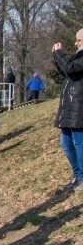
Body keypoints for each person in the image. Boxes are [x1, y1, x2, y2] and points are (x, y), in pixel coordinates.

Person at [52, 30, 83, 192]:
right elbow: (65, 69)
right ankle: (77, 174)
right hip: (69, 107)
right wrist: (57, 56)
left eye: (78, 40)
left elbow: (70, 68)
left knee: (79, 143)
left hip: (78, 107)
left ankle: (82, 177)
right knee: (66, 144)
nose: (76, 43)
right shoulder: (78, 57)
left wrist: (59, 53)